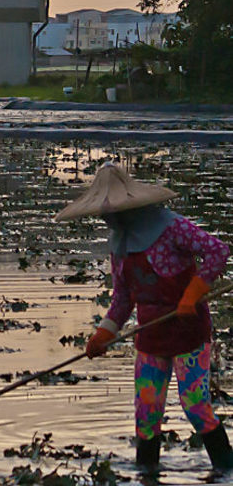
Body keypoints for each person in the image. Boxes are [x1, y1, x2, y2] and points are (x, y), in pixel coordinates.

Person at [58, 162, 232, 473]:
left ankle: (227, 471)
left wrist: (192, 294)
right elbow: (123, 299)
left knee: (196, 406)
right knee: (147, 412)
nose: (108, 218)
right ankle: (147, 476)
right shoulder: (120, 243)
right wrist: (102, 335)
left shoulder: (171, 227)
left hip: (188, 330)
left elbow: (217, 251)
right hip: (150, 336)